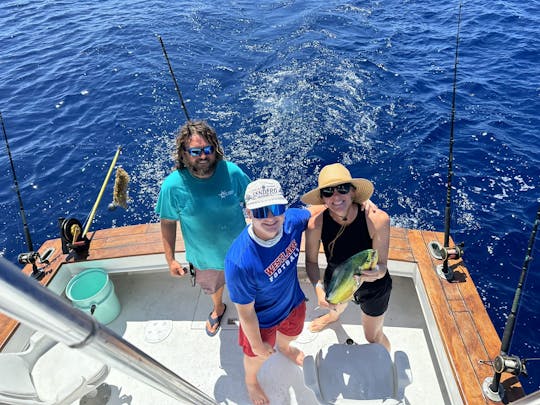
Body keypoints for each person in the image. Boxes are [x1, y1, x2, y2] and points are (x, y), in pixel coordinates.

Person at [155, 120, 250, 337]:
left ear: (215, 149)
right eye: (195, 151)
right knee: (213, 289)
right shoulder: (171, 186)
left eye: (207, 149)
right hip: (204, 259)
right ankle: (218, 308)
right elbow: (167, 222)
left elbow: (252, 201)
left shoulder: (232, 172)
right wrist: (170, 259)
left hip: (242, 252)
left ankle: (249, 314)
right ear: (184, 153)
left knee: (246, 288)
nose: (203, 156)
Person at [224, 179, 310, 405]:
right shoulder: (239, 262)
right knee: (255, 357)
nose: (271, 218)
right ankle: (251, 381)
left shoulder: (291, 221)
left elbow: (319, 210)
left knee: (293, 333)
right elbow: (246, 313)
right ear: (249, 213)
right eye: (262, 211)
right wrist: (256, 345)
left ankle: (284, 347)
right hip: (261, 321)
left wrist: (362, 202)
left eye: (277, 209)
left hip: (293, 302)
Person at [301, 163, 392, 351]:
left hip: (373, 288)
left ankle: (386, 356)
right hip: (338, 280)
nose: (336, 197)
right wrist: (319, 289)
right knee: (334, 308)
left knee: (373, 337)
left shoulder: (377, 219)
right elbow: (310, 262)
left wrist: (375, 273)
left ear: (353, 192)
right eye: (328, 192)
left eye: (342, 189)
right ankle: (332, 316)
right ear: (322, 199)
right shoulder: (315, 224)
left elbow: (382, 267)